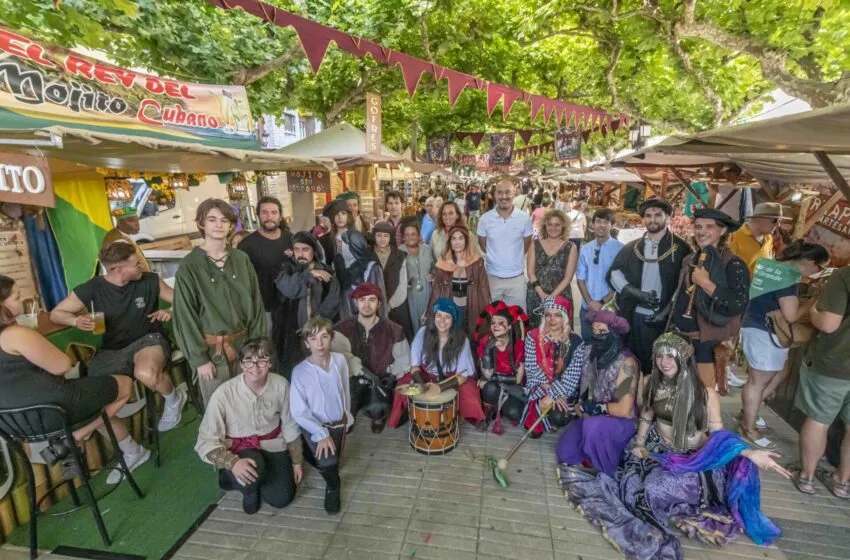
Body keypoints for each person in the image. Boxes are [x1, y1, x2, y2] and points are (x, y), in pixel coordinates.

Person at [558, 332, 789, 560]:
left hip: (695, 461)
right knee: (631, 486)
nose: (664, 362)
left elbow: (718, 435)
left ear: (685, 358)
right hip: (657, 451)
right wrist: (639, 441)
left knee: (652, 489)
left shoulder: (706, 394)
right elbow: (647, 416)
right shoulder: (652, 383)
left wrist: (748, 452)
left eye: (671, 356)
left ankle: (684, 503)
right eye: (660, 356)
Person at [0, 275, 141, 481]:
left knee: (93, 401)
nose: (20, 301)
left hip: (15, 423)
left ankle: (122, 449)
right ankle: (76, 436)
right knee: (125, 385)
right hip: (55, 411)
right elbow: (62, 366)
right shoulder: (15, 334)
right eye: (15, 297)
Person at [51, 242, 186, 435]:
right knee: (93, 400)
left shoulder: (150, 280)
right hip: (112, 349)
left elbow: (184, 300)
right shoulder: (92, 288)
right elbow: (57, 314)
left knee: (146, 373)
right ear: (118, 269)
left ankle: (173, 399)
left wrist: (170, 311)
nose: (141, 265)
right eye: (136, 264)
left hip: (149, 338)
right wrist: (75, 321)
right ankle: (131, 450)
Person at [173, 199, 267, 406]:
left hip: (245, 347)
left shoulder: (241, 259)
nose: (218, 225)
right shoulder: (190, 267)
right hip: (212, 354)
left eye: (224, 220)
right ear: (201, 224)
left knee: (250, 403)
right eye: (212, 219)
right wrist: (199, 359)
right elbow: (185, 317)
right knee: (220, 411)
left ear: (232, 225)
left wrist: (257, 346)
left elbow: (256, 303)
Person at [195, 338, 303, 514]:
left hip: (272, 444)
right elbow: (205, 441)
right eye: (248, 361)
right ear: (241, 364)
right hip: (240, 449)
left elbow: (290, 425)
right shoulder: (224, 393)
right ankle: (247, 489)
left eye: (261, 360)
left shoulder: (281, 385)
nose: (255, 366)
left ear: (270, 363)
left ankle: (258, 480)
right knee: (253, 470)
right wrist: (233, 463)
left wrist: (296, 462)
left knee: (282, 498)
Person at [738, 241, 829, 450]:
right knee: (757, 382)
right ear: (807, 261)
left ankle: (748, 411)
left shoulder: (770, 265)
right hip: (764, 330)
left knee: (778, 372)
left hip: (754, 324)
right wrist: (814, 298)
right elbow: (792, 315)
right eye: (819, 267)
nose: (818, 272)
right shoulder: (788, 277)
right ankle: (748, 427)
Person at [609, 198, 692, 375]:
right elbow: (614, 273)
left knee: (660, 367)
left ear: (667, 217)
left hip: (663, 320)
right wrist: (633, 292)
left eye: (657, 215)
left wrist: (667, 311)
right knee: (631, 363)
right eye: (648, 215)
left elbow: (685, 286)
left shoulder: (681, 249)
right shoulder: (633, 247)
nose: (652, 220)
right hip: (633, 316)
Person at [670, 208, 749, 391]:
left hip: (707, 343)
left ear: (722, 231)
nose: (702, 231)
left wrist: (706, 283)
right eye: (698, 226)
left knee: (703, 396)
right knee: (679, 393)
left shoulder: (734, 264)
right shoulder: (690, 259)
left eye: (709, 227)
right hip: (681, 336)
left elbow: (737, 305)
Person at [791, 265, 850, 498]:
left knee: (818, 420)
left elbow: (828, 324)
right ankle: (842, 481)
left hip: (834, 364)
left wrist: (814, 310)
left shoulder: (844, 276)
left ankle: (806, 477)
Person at [555, 310, 638, 475]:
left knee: (592, 427)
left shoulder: (627, 363)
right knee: (565, 451)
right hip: (590, 417)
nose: (596, 335)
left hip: (619, 423)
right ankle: (592, 450)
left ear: (614, 334)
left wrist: (595, 409)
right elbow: (584, 388)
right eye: (594, 331)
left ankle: (606, 466)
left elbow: (624, 409)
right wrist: (580, 404)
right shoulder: (589, 352)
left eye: (602, 332)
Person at [387, 299, 486, 429]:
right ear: (434, 317)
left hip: (452, 377)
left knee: (470, 392)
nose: (442, 321)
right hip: (425, 375)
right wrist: (423, 385)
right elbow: (415, 366)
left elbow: (462, 376)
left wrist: (440, 388)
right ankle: (408, 413)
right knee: (403, 384)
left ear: (454, 320)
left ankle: (464, 415)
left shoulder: (462, 340)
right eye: (439, 316)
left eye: (447, 317)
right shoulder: (423, 333)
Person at [290, 317, 352, 515]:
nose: (320, 343)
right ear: (307, 343)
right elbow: (299, 412)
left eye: (324, 337)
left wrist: (346, 415)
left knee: (336, 458)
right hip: (316, 426)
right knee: (328, 463)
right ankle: (333, 488)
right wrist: (320, 433)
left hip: (338, 422)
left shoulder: (340, 361)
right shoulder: (300, 372)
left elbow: (345, 389)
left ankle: (319, 458)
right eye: (313, 338)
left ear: (331, 339)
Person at [335, 283, 411, 433]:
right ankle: (349, 414)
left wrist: (391, 373)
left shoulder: (394, 330)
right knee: (345, 405)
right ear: (355, 303)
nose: (366, 305)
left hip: (379, 381)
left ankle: (378, 416)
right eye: (362, 300)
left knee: (377, 407)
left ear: (379, 303)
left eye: (372, 300)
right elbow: (337, 356)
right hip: (352, 379)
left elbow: (404, 360)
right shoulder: (342, 328)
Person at [274, 231, 340, 374]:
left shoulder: (327, 272)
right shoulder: (286, 269)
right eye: (297, 249)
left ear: (314, 251)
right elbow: (290, 290)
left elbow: (332, 303)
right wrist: (308, 275)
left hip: (318, 335)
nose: (301, 254)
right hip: (290, 335)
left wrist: (314, 327)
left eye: (305, 249)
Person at [522, 296, 587, 436]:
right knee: (531, 425)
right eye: (548, 315)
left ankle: (550, 415)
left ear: (564, 318)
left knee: (560, 417)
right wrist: (549, 392)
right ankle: (542, 411)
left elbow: (572, 377)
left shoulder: (576, 342)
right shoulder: (532, 337)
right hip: (539, 386)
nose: (552, 320)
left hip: (563, 390)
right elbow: (532, 368)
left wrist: (552, 395)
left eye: (557, 315)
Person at [236, 197, 294, 336]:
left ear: (280, 216)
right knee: (267, 347)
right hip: (264, 309)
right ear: (258, 216)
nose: (269, 217)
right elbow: (240, 281)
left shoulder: (290, 238)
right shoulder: (246, 245)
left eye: (274, 212)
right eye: (265, 213)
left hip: (290, 305)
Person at [320, 199, 386, 319]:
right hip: (338, 289)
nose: (340, 217)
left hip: (359, 286)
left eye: (343, 213)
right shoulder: (326, 241)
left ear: (348, 216)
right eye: (336, 214)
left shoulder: (357, 236)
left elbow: (369, 261)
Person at [477, 179, 533, 311]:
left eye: (508, 192)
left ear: (514, 193)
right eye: (500, 193)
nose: (504, 197)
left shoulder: (524, 219)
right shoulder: (485, 219)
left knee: (517, 320)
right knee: (492, 319)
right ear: (494, 195)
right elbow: (483, 245)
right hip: (492, 278)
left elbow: (526, 245)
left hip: (516, 280)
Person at [429, 226, 490, 339]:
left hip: (472, 308)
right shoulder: (443, 263)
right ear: (450, 242)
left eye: (461, 238)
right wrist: (430, 312)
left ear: (466, 241)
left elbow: (484, 288)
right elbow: (436, 291)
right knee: (452, 339)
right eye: (454, 238)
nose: (457, 242)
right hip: (451, 310)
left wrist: (487, 312)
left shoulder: (477, 262)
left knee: (472, 339)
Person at [476, 301, 527, 434]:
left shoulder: (518, 345)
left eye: (500, 322)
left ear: (509, 326)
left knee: (514, 413)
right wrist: (489, 348)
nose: (495, 326)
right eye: (493, 323)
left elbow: (517, 379)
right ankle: (491, 410)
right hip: (493, 387)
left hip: (512, 387)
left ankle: (499, 408)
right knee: (489, 388)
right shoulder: (485, 342)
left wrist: (493, 378)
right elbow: (486, 374)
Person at [576, 209, 623, 341]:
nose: (601, 225)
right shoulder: (585, 249)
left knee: (609, 346)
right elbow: (580, 279)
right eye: (598, 221)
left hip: (610, 309)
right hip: (587, 307)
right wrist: (590, 302)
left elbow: (620, 284)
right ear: (592, 225)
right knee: (587, 343)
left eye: (606, 222)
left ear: (612, 225)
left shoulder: (621, 250)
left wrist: (602, 302)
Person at [526, 209, 578, 329]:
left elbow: (568, 277)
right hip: (536, 295)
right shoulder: (535, 244)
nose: (553, 228)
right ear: (544, 226)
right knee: (536, 332)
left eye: (557, 224)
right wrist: (542, 295)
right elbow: (530, 273)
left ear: (563, 226)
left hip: (560, 295)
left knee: (560, 332)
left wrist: (551, 297)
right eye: (550, 224)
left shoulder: (571, 247)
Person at [372, 220, 414, 339]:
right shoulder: (368, 255)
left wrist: (389, 305)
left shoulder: (399, 255)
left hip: (397, 305)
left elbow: (402, 283)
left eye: (386, 235)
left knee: (400, 336)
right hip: (375, 305)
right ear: (374, 236)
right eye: (379, 235)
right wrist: (377, 305)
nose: (382, 239)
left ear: (390, 237)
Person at [729, 202, 790, 276]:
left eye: (779, 221)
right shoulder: (734, 238)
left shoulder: (769, 239)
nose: (778, 224)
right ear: (759, 219)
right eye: (775, 220)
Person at [399, 221, 434, 328]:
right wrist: (403, 281)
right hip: (410, 293)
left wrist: (433, 274)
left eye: (413, 234)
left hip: (427, 291)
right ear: (403, 237)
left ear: (418, 235)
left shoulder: (427, 249)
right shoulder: (399, 251)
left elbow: (435, 266)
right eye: (407, 235)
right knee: (413, 322)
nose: (410, 237)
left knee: (429, 320)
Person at [102, 205, 151, 272]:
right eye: (131, 221)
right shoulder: (118, 241)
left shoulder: (124, 235)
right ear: (120, 223)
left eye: (137, 220)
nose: (137, 224)